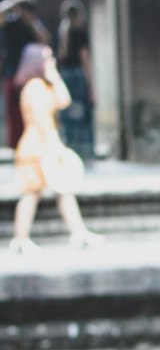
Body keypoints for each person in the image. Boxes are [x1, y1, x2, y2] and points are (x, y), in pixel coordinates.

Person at [9, 43, 99, 253]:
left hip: (46, 145)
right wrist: (56, 148)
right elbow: (42, 122)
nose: (52, 62)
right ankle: (20, 239)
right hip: (36, 146)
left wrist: (55, 76)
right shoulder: (34, 87)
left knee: (64, 190)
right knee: (31, 193)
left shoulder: (44, 84)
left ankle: (79, 233)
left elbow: (64, 101)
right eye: (48, 59)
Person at [1, 0, 50, 151]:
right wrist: (13, 1)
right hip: (12, 73)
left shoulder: (32, 25)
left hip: (31, 76)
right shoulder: (10, 22)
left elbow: (45, 40)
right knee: (14, 113)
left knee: (32, 112)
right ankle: (17, 146)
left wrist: (31, 21)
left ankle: (34, 144)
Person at [55, 0, 95, 163]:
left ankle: (71, 151)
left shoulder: (63, 32)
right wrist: (92, 86)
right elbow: (85, 59)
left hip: (66, 76)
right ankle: (82, 153)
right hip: (78, 77)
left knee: (69, 115)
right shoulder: (79, 33)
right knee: (80, 115)